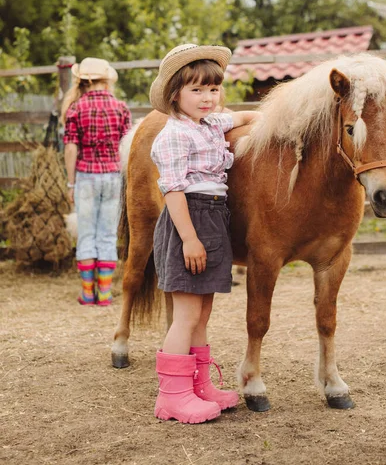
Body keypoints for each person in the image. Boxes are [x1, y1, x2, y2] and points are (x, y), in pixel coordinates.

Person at [149, 43, 260, 424]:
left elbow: (243, 115)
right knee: (186, 314)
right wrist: (190, 238)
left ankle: (199, 385)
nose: (207, 97)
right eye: (196, 90)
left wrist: (272, 117)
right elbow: (174, 190)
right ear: (174, 94)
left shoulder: (212, 123)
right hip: (188, 219)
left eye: (213, 89)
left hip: (214, 218)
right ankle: (172, 396)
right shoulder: (175, 135)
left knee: (203, 311)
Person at [62, 58, 131, 306]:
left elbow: (71, 149)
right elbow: (127, 148)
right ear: (107, 79)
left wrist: (71, 184)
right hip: (114, 177)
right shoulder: (121, 108)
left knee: (86, 235)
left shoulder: (75, 109)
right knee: (108, 235)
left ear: (82, 80)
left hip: (86, 177)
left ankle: (87, 293)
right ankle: (104, 294)